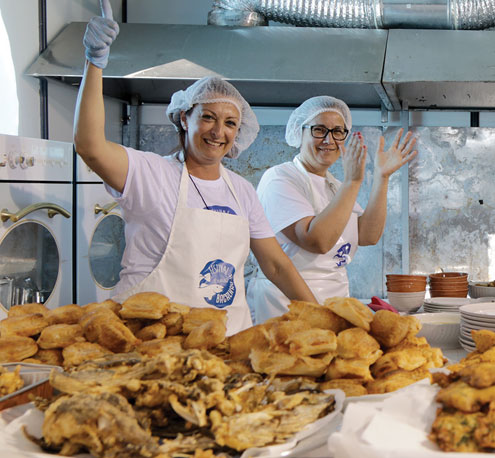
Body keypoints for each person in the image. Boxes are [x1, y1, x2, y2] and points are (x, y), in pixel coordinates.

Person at [76, 1, 316, 333]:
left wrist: (324, 317)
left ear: (238, 133)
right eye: (208, 117)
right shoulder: (149, 173)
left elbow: (276, 265)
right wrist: (94, 62)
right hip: (153, 339)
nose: (218, 132)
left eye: (230, 123)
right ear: (185, 118)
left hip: (226, 339)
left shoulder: (241, 191)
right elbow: (90, 147)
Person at [247, 96, 417, 323]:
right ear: (300, 132)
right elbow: (317, 241)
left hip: (333, 302)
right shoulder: (280, 178)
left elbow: (367, 235)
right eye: (319, 130)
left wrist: (382, 177)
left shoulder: (334, 185)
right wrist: (352, 182)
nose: (329, 140)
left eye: (338, 131)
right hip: (286, 306)